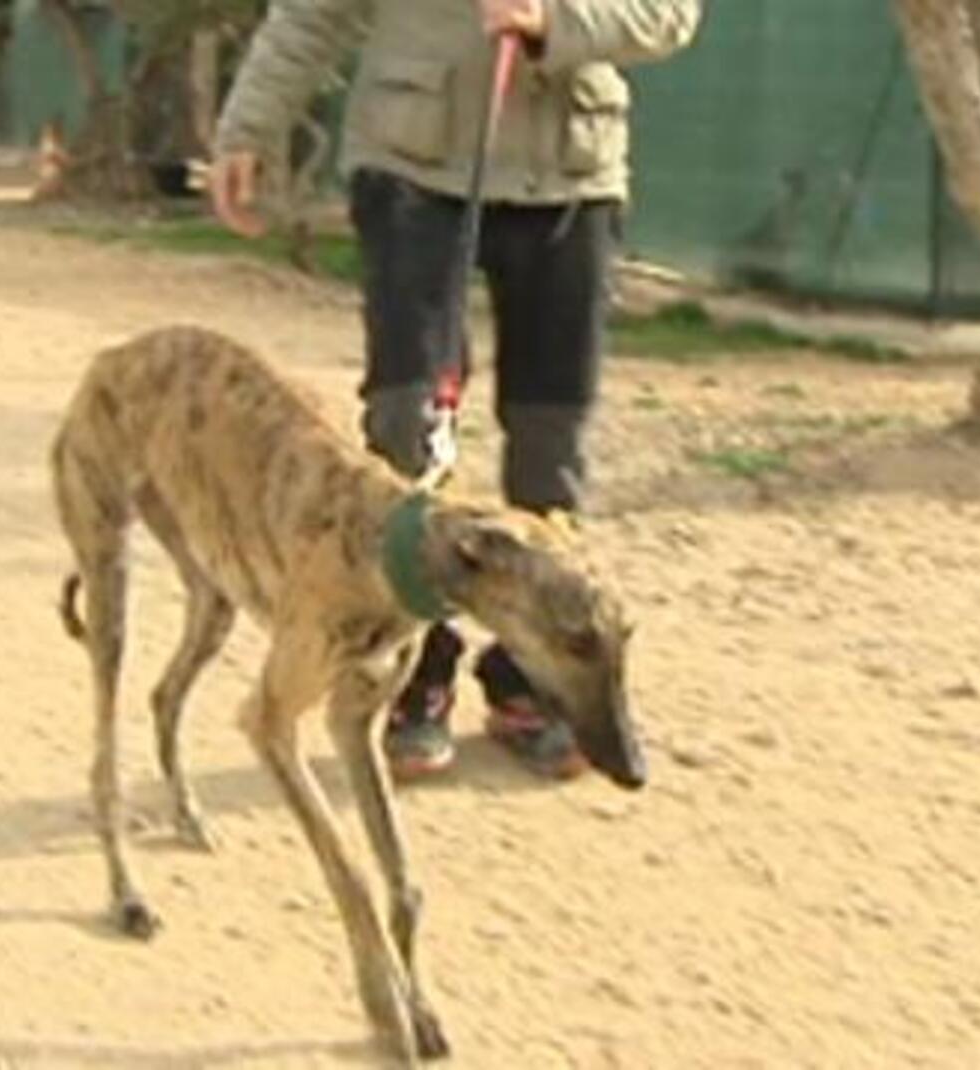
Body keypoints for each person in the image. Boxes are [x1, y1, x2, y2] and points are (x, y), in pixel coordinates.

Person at [208, 0, 701, 780]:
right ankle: (415, 674)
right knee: (407, 431)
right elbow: (309, 15)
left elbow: (669, 13)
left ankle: (529, 681)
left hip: (570, 177)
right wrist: (247, 130)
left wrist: (554, 20)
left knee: (550, 448)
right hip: (413, 171)